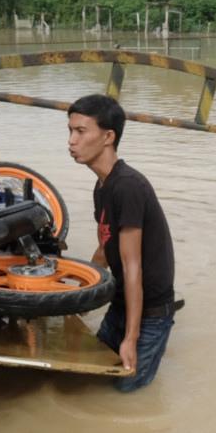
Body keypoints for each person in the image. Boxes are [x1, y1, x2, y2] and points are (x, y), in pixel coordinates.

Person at [67, 94, 179, 392]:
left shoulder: (128, 186)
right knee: (89, 378)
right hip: (121, 304)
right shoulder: (103, 186)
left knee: (125, 394)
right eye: (70, 131)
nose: (71, 141)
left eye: (81, 131)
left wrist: (131, 338)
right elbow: (105, 248)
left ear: (108, 136)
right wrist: (81, 296)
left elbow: (132, 266)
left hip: (150, 314)